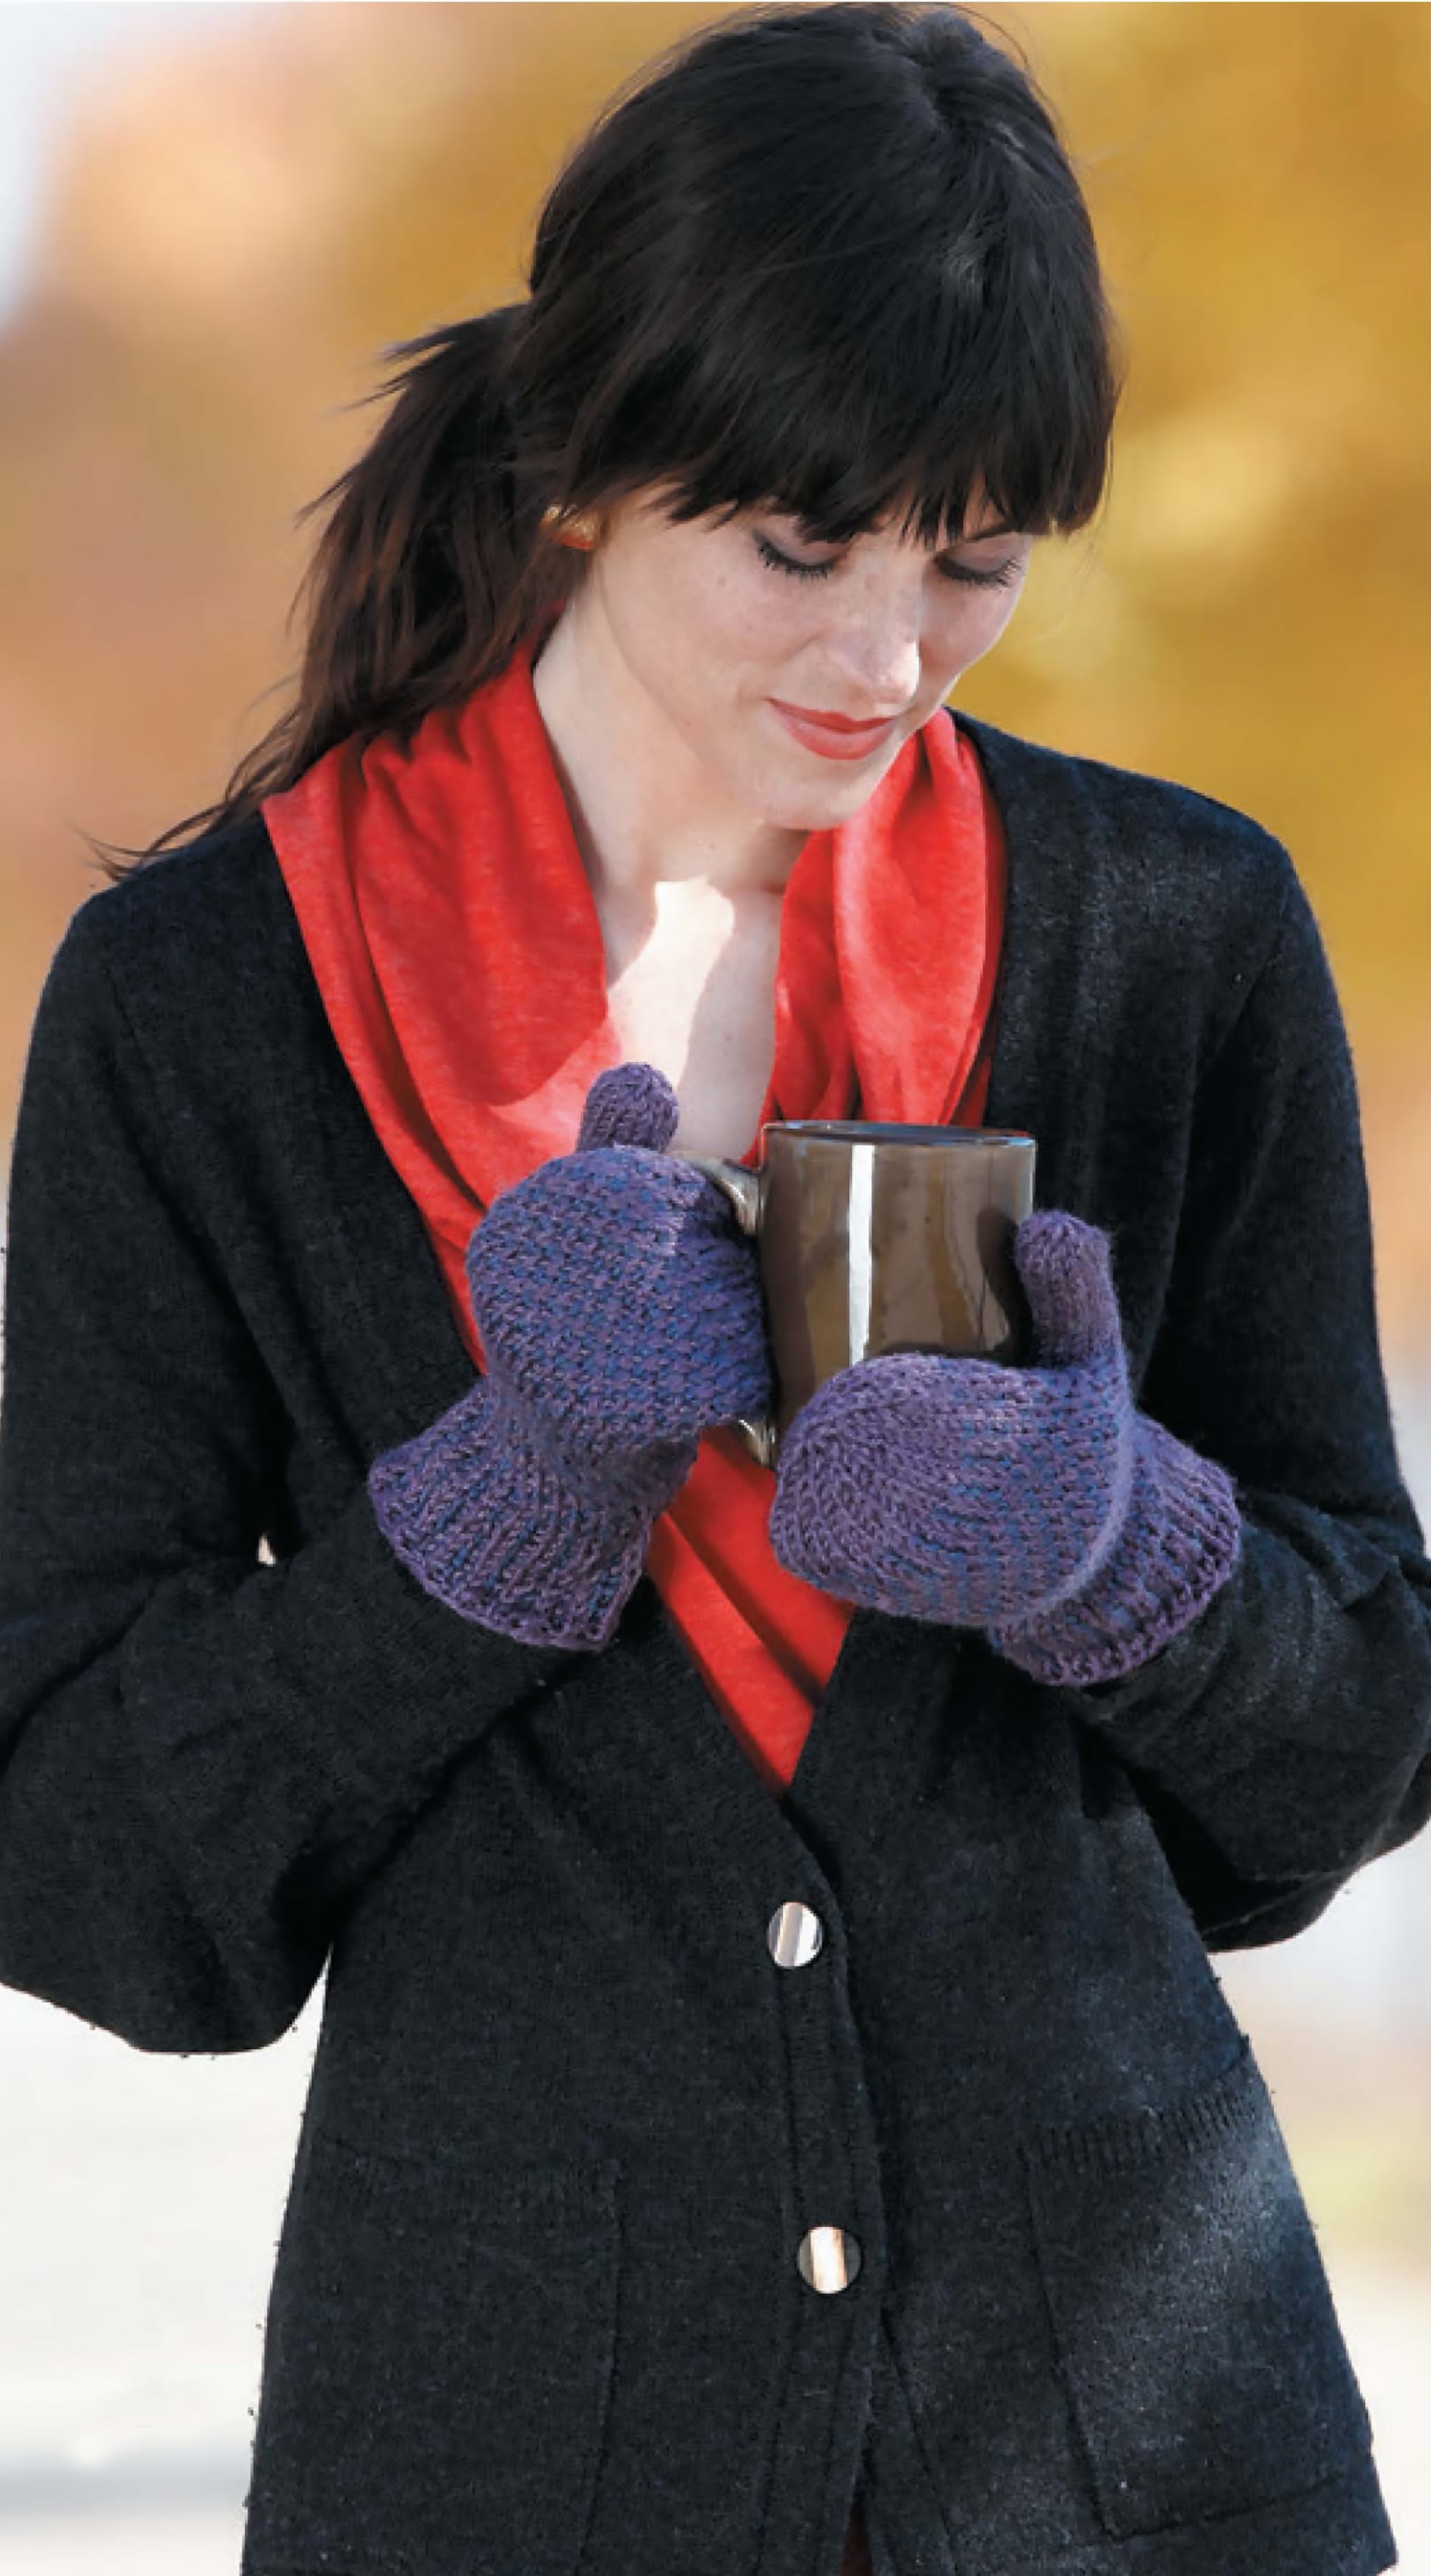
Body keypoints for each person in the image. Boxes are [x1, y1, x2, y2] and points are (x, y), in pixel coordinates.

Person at [1, 5, 1427, 2572]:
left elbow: (1331, 1782)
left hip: (1142, 2484)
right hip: (499, 2484)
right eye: (798, 546)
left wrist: (1125, 1550)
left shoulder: (1176, 937)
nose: (886, 655)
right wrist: (483, 1522)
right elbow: (97, 1885)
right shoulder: (205, 1009)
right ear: (578, 463)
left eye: (972, 561)